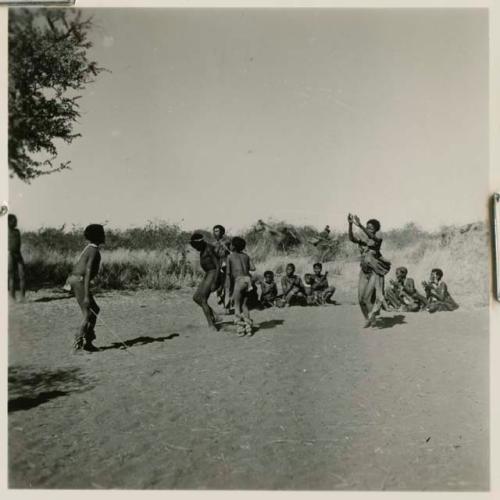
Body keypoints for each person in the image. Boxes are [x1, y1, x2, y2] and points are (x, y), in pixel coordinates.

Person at [66, 224, 105, 352]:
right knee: (88, 314)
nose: (104, 235)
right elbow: (88, 271)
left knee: (95, 309)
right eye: (102, 233)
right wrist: (87, 295)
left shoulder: (90, 248)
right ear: (98, 236)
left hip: (76, 280)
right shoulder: (93, 250)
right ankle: (78, 340)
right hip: (79, 281)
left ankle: (88, 341)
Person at [348, 214, 391, 327]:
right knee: (360, 300)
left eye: (371, 228)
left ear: (376, 229)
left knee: (367, 298)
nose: (369, 229)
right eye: (368, 227)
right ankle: (368, 319)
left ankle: (374, 321)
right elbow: (351, 239)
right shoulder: (364, 241)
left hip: (374, 272)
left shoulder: (378, 238)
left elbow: (373, 238)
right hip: (364, 271)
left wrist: (361, 225)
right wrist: (350, 224)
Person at [190, 233, 220, 331]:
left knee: (202, 299)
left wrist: (215, 281)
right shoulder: (203, 249)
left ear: (200, 242)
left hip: (213, 273)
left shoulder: (209, 249)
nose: (195, 248)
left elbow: (217, 266)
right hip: (208, 273)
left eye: (195, 246)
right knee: (196, 298)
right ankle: (215, 316)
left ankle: (211, 325)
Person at [226, 236, 255, 335]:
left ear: (233, 246)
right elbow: (253, 268)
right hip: (248, 281)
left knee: (237, 305)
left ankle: (240, 328)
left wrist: (229, 291)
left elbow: (229, 275)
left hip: (239, 281)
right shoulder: (246, 256)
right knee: (245, 305)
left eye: (231, 244)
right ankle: (248, 327)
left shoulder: (230, 257)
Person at [212, 224, 232, 313]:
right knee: (218, 285)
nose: (215, 233)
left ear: (222, 232)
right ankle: (221, 299)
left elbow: (232, 252)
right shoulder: (213, 243)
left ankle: (226, 307)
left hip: (226, 263)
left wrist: (224, 247)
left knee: (226, 285)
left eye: (217, 231)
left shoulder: (227, 241)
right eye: (214, 231)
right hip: (217, 264)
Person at [8, 214, 26, 302]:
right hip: (10, 254)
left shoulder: (17, 231)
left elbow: (18, 244)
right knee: (11, 276)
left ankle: (22, 297)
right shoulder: (5, 231)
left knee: (22, 275)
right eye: (14, 221)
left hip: (18, 254)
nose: (15, 222)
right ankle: (12, 297)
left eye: (15, 220)